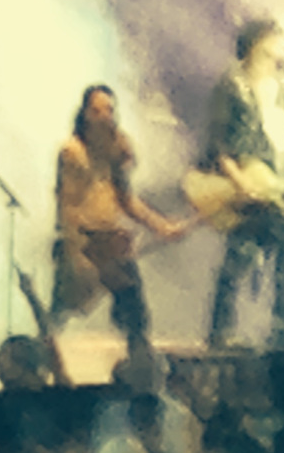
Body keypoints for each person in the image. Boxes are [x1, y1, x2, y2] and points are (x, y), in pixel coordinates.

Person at [199, 19, 284, 348]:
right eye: (272, 41)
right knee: (277, 244)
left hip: (273, 183)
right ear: (256, 45)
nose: (279, 48)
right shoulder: (232, 85)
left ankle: (227, 328)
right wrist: (238, 180)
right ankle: (278, 325)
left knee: (247, 250)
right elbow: (219, 142)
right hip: (243, 183)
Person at [53, 85, 187, 360]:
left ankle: (139, 362)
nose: (104, 117)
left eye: (109, 110)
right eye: (97, 111)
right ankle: (40, 359)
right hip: (82, 239)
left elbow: (126, 199)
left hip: (110, 239)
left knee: (134, 308)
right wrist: (76, 252)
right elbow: (67, 206)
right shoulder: (72, 152)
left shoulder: (116, 147)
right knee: (62, 310)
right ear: (85, 114)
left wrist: (160, 224)